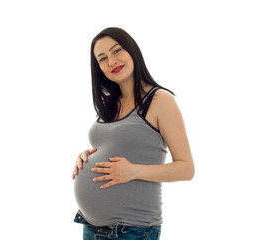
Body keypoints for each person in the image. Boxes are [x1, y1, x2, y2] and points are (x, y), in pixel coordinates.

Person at [72, 27, 194, 240]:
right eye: (102, 58)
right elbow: (117, 144)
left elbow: (186, 169)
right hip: (91, 226)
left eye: (116, 51)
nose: (111, 61)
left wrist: (133, 171)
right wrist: (88, 156)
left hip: (131, 231)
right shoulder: (111, 104)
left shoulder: (159, 100)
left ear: (132, 51)